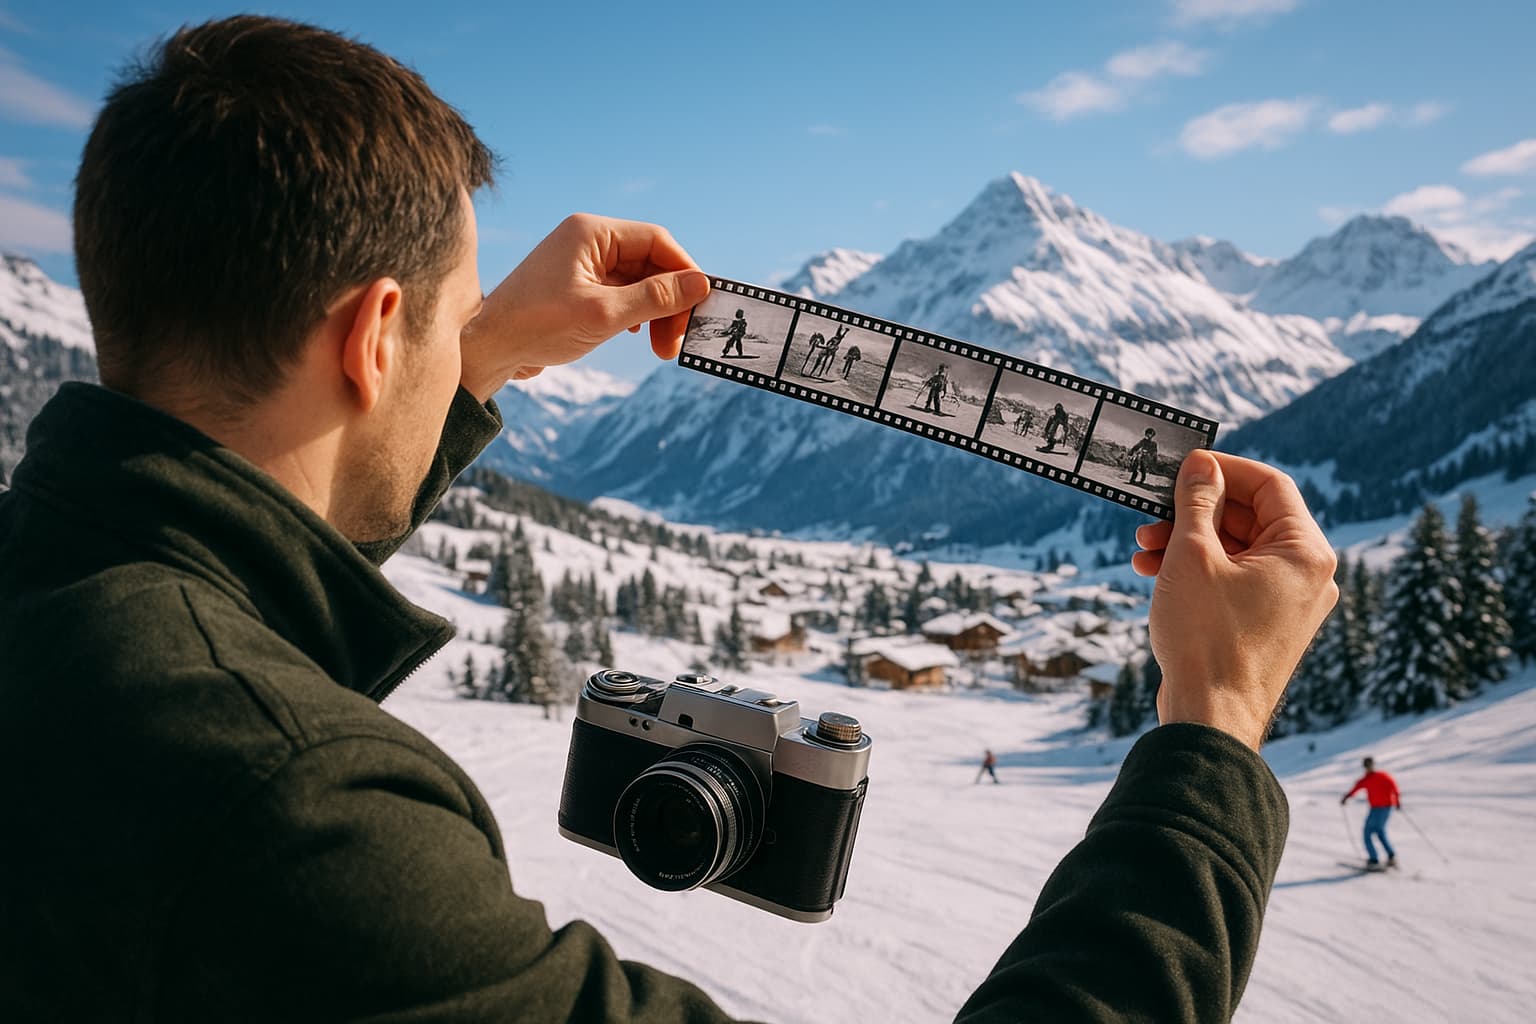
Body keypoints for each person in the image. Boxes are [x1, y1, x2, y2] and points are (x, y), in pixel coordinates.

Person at [0, 16, 1340, 1023]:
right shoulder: (290, 806)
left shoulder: (66, 603)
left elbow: (215, 590)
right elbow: (240, 709)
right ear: (372, 337)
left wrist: (475, 360)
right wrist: (1214, 724)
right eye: (454, 314)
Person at [1341, 756, 1402, 870]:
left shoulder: (1381, 776)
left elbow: (1394, 787)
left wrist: (1397, 801)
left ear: (1372, 765)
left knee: (1367, 832)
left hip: (1382, 808)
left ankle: (1374, 859)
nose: (1368, 767)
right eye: (1366, 765)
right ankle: (1391, 855)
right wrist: (1346, 797)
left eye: (1369, 765)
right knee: (1380, 831)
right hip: (1378, 808)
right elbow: (1356, 788)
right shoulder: (1367, 779)